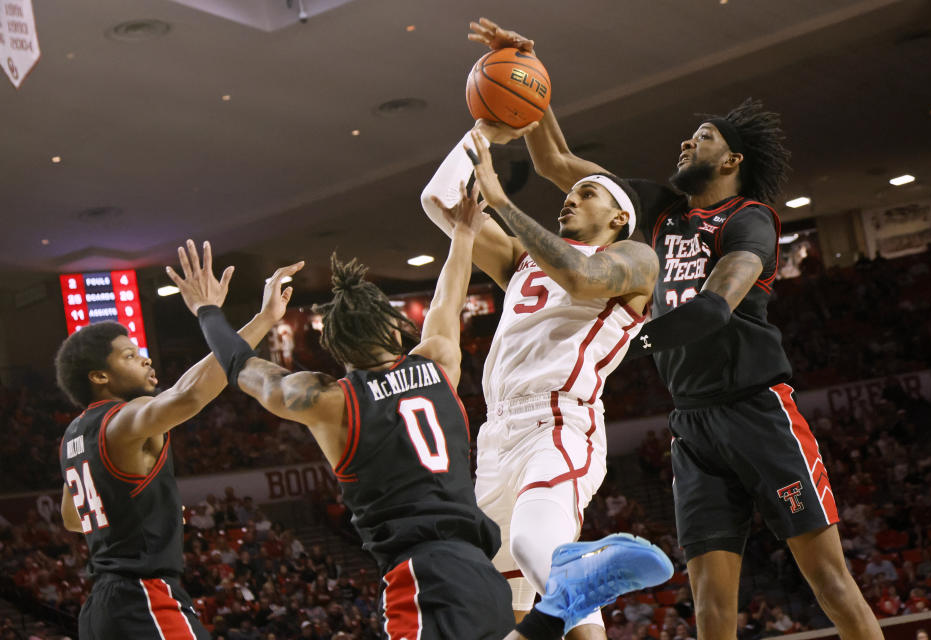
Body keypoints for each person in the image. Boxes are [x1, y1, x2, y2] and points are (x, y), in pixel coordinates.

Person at [466, 16, 883, 640]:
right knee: (710, 605)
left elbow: (718, 304)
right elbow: (554, 157)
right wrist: (531, 75)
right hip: (692, 422)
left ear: (732, 159)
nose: (687, 145)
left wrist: (644, 337)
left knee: (829, 582)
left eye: (703, 137)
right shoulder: (660, 211)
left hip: (756, 409)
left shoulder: (750, 220)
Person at [170, 190, 672, 640]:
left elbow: (242, 368)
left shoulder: (328, 401)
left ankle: (561, 605)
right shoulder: (438, 363)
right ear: (395, 334)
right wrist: (462, 235)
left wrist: (211, 313)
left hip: (423, 576)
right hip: (479, 571)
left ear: (335, 351)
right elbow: (446, 299)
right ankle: (554, 612)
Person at [420, 105, 659, 634]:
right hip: (495, 435)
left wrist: (502, 202)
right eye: (570, 194)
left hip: (559, 424)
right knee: (492, 598)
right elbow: (439, 203)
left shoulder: (637, 259)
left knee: (541, 550)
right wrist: (482, 131)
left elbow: (580, 277)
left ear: (620, 217)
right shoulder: (526, 259)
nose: (569, 198)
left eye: (586, 194)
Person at [55, 239, 302, 639]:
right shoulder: (123, 420)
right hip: (143, 599)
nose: (146, 358)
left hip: (100, 609)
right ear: (99, 376)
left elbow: (72, 517)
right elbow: (188, 393)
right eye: (130, 356)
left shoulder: (72, 435)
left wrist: (137, 513)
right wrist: (248, 318)